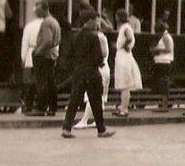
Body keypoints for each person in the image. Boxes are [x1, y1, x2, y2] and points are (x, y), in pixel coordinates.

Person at [60, 10, 115, 139]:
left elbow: (69, 55)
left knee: (74, 100)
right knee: (96, 100)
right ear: (89, 21)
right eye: (96, 20)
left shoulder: (76, 36)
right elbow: (99, 57)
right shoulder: (93, 37)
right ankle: (101, 129)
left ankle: (66, 128)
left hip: (79, 71)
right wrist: (100, 64)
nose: (97, 23)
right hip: (92, 71)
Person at [28, 1, 62, 117]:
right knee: (51, 82)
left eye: (38, 10)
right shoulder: (54, 22)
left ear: (44, 9)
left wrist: (38, 51)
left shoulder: (46, 23)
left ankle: (40, 107)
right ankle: (52, 107)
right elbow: (56, 40)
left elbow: (47, 40)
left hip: (44, 56)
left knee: (41, 81)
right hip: (52, 55)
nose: (36, 12)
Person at [74, 23, 111, 130]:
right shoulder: (98, 37)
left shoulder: (100, 37)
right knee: (99, 97)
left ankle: (84, 120)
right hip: (101, 67)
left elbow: (103, 54)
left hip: (101, 68)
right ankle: (97, 120)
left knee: (93, 96)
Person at [113, 8, 143, 117]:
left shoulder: (125, 28)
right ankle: (123, 106)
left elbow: (130, 38)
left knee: (125, 84)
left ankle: (124, 109)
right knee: (123, 84)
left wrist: (125, 46)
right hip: (122, 56)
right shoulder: (124, 28)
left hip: (123, 56)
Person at [19, 11, 42, 114]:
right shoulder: (46, 24)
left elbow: (25, 42)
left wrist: (23, 58)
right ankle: (38, 104)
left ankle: (27, 105)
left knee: (29, 83)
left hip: (30, 54)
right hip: (42, 54)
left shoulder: (29, 26)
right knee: (40, 81)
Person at [150, 19, 174, 112]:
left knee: (164, 83)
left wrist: (156, 50)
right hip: (161, 62)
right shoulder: (165, 37)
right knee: (162, 83)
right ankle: (163, 103)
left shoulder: (166, 37)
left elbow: (168, 49)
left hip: (164, 62)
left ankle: (164, 105)